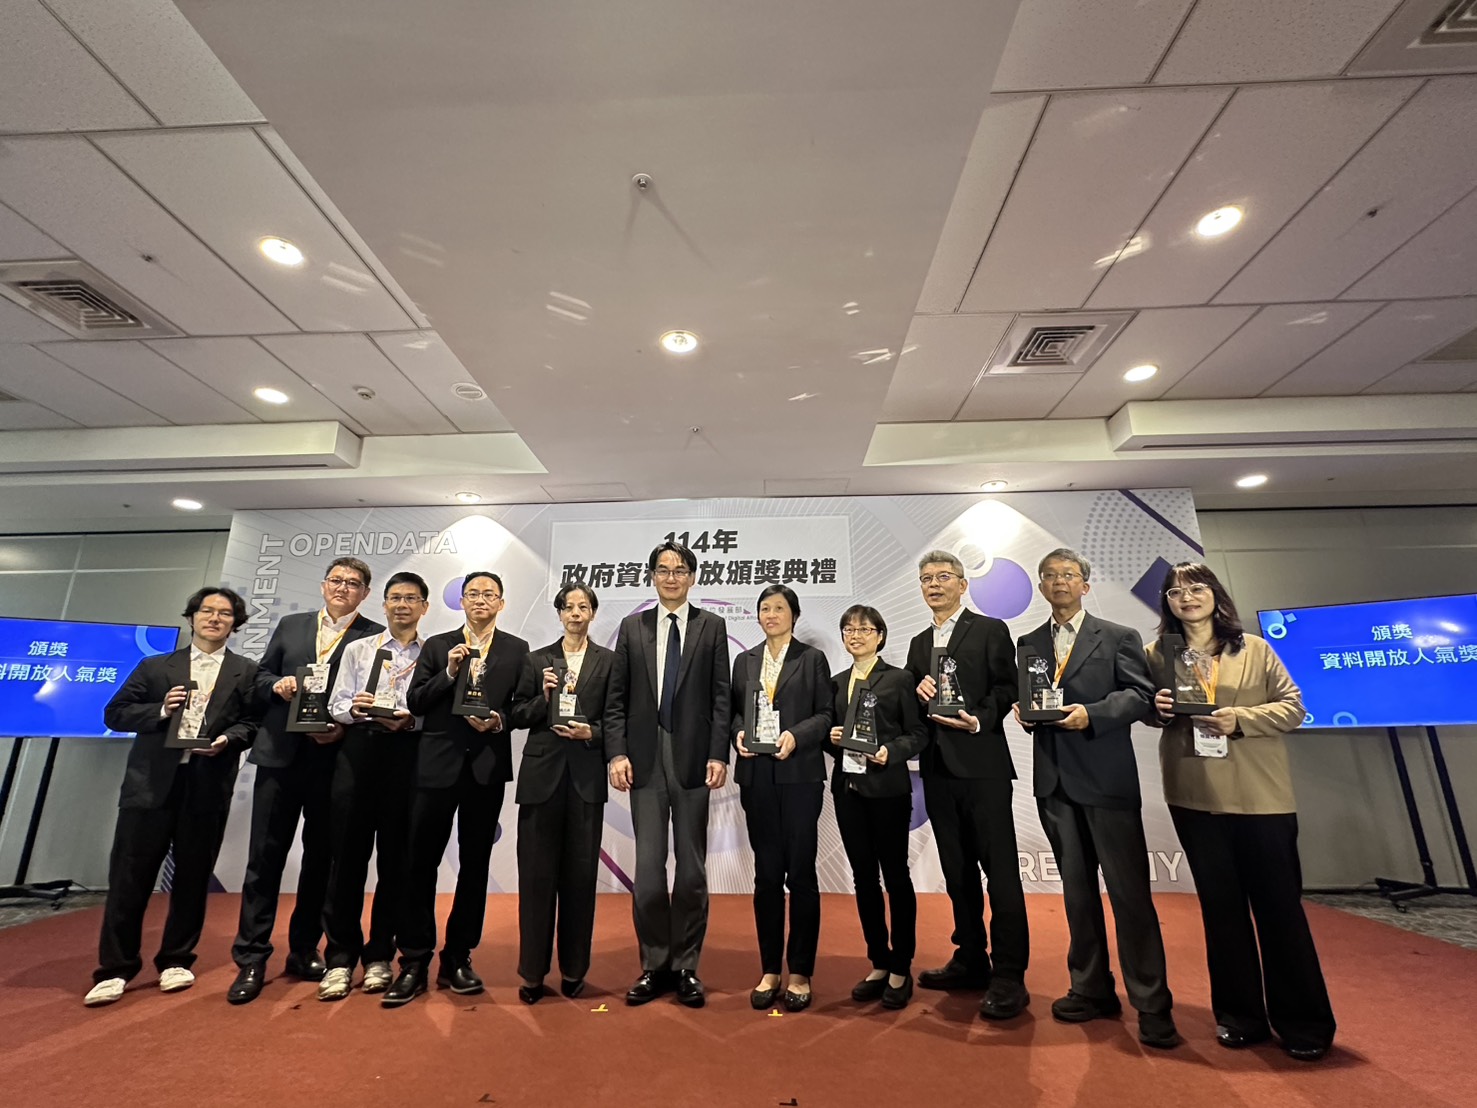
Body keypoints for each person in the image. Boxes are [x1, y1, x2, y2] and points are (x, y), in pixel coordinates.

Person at [1144, 562, 1335, 1061]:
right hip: (1193, 796)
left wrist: (1240, 718)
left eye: (1196, 588)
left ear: (1215, 594)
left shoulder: (1253, 648)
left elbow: (1293, 707)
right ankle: (1239, 1015)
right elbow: (1145, 709)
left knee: (1279, 910)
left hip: (1260, 798)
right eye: (1176, 592)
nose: (1187, 597)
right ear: (1166, 603)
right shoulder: (1157, 654)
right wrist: (1155, 709)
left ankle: (1304, 1021)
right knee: (1221, 911)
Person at [1014, 547, 1177, 1049]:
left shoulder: (1118, 636)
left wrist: (1093, 714)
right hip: (1054, 784)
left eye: (1068, 574)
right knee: (1077, 894)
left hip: (1106, 782)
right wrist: (1026, 713)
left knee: (1129, 896)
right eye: (1049, 575)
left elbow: (1140, 696)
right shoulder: (1029, 642)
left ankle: (1152, 1004)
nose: (1058, 581)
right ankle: (1090, 988)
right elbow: (1035, 698)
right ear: (1041, 586)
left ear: (1085, 585)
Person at [85, 587, 259, 1007]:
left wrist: (227, 740)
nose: (214, 618)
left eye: (224, 613)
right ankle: (115, 968)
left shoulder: (246, 670)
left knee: (193, 878)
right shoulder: (156, 666)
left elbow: (252, 723)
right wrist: (162, 710)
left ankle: (177, 959)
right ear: (192, 616)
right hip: (149, 787)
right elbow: (115, 713)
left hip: (206, 785)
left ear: (235, 623)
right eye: (207, 611)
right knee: (129, 879)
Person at [229, 557, 383, 1004]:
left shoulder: (373, 636)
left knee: (322, 860)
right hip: (279, 756)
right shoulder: (292, 626)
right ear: (323, 585)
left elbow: (373, 699)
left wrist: (343, 728)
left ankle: (303, 949)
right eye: (336, 580)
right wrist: (276, 686)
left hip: (334, 760)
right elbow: (261, 677)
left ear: (365, 593)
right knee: (265, 858)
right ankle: (252, 956)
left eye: (353, 583)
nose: (343, 588)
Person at [382, 571, 529, 1006]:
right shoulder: (437, 645)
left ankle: (459, 956)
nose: (480, 600)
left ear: (501, 603)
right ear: (461, 601)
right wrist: (448, 672)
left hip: (485, 767)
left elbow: (523, 706)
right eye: (473, 593)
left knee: (475, 865)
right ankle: (413, 959)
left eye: (489, 594)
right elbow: (416, 701)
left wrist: (499, 720)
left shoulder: (516, 649)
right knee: (420, 863)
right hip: (436, 767)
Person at [605, 540, 732, 1008]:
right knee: (649, 870)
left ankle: (686, 967)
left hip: (694, 759)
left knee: (692, 870)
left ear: (693, 578)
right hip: (644, 759)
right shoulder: (633, 627)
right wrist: (617, 753)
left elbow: (721, 697)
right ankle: (654, 964)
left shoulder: (711, 626)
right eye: (663, 569)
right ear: (652, 577)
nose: (672, 577)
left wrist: (718, 754)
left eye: (680, 570)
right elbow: (616, 698)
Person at [905, 550, 1030, 1021]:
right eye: (926, 579)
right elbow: (915, 706)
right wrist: (917, 693)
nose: (933, 585)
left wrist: (977, 720)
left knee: (1001, 873)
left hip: (983, 768)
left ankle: (1010, 974)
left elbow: (1007, 687)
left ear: (962, 584)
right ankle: (971, 957)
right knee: (957, 873)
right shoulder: (919, 643)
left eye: (943, 576)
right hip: (937, 771)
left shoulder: (990, 629)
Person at [316, 571, 429, 1001]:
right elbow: (337, 703)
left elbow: (434, 707)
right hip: (359, 755)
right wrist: (357, 709)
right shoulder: (359, 649)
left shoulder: (432, 653)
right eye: (395, 598)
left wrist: (411, 720)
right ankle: (340, 957)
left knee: (396, 863)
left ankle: (380, 953)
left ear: (424, 607)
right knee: (346, 859)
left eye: (411, 599)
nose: (402, 605)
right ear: (383, 604)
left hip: (406, 758)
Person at [508, 584, 614, 1004]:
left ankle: (574, 969)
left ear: (593, 613)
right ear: (558, 614)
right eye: (568, 607)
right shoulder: (535, 660)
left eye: (583, 607)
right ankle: (532, 973)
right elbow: (518, 715)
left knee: (580, 879)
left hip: (585, 780)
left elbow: (617, 718)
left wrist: (594, 734)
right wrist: (544, 697)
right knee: (535, 880)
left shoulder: (609, 661)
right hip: (541, 780)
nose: (575, 613)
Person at [730, 585, 832, 1012]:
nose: (771, 615)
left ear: (794, 615)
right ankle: (770, 968)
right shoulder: (745, 660)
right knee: (767, 876)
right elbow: (736, 711)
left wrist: (795, 736)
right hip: (757, 778)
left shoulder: (812, 659)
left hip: (799, 777)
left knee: (801, 875)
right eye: (764, 608)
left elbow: (825, 715)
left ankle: (800, 971)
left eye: (779, 608)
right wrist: (738, 733)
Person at [827, 605, 929, 1010]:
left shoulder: (899, 679)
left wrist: (891, 751)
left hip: (888, 790)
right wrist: (832, 738)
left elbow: (918, 733)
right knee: (863, 878)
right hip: (848, 791)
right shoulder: (836, 684)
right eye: (848, 629)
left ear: (880, 636)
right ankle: (879, 961)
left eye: (864, 629)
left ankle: (901, 965)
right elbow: (830, 738)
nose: (856, 635)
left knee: (896, 877)